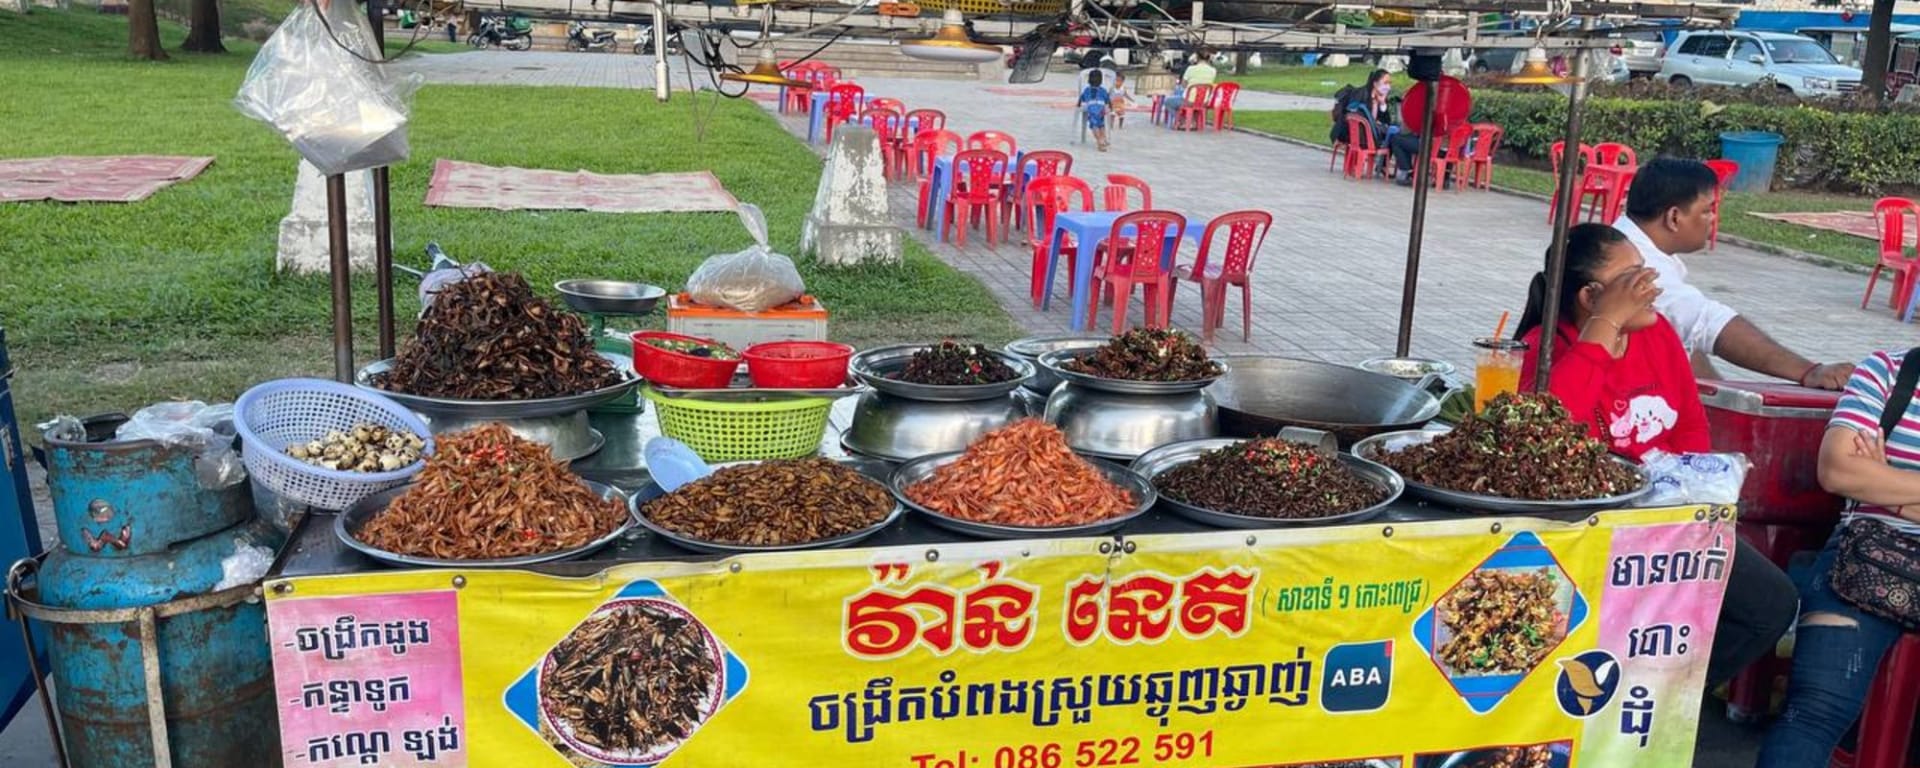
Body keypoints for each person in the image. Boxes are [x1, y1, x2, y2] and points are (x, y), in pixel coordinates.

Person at [1514, 223, 1798, 695]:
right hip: (1589, 526)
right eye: (1633, 280)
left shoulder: (1658, 334)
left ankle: (1663, 698)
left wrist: (1693, 505)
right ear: (1591, 296)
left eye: (1648, 273)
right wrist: (1601, 332)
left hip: (1670, 516)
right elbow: (1546, 431)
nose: (1652, 287)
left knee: (1768, 604)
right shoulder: (1544, 347)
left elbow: (1689, 426)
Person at [1755, 349, 1920, 766]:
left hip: (1881, 527)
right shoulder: (1889, 371)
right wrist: (1876, 491)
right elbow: (1838, 471)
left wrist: (1892, 492)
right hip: (1869, 558)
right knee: (1815, 708)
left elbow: (1859, 477)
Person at [1613, 158, 1854, 390]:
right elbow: (1706, 324)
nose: (1713, 218)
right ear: (1674, 217)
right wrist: (1808, 371)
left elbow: (1685, 340)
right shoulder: (1635, 262)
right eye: (1707, 210)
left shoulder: (1627, 242)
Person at [1330, 69, 1393, 148]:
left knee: (1392, 137)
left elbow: (1387, 121)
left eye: (1390, 83)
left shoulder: (1382, 98)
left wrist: (1382, 104)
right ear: (1375, 83)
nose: (1388, 87)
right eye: (1385, 83)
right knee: (1392, 138)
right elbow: (1353, 115)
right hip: (1356, 135)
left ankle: (1380, 159)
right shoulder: (1361, 95)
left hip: (1369, 134)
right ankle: (1380, 160)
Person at [1079, 70, 1114, 152]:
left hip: (1092, 109)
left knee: (1094, 125)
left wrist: (1078, 105)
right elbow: (1108, 100)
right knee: (1101, 124)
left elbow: (1082, 99)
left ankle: (1099, 141)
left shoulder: (1087, 90)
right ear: (1101, 81)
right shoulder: (1103, 90)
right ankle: (1103, 137)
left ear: (1089, 80)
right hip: (1101, 109)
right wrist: (1111, 107)